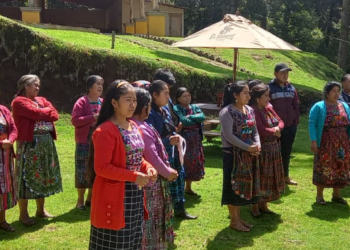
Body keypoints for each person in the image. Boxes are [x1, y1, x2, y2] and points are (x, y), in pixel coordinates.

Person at [88, 80, 157, 250]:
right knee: (116, 243)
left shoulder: (132, 126)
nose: (133, 104)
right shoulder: (105, 131)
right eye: (128, 100)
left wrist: (147, 167)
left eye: (134, 100)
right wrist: (134, 176)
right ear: (114, 102)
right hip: (114, 196)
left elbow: (136, 157)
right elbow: (102, 168)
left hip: (134, 194)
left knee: (132, 241)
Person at [12, 74, 62, 226]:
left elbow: (55, 115)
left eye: (38, 84)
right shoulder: (18, 102)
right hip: (29, 145)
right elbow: (36, 113)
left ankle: (40, 210)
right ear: (25, 86)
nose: (38, 87)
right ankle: (23, 214)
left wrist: (44, 112)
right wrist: (45, 112)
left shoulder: (41, 100)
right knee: (25, 178)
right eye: (35, 84)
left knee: (44, 175)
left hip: (46, 144)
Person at [131, 87, 177, 250]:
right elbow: (151, 155)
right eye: (149, 105)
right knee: (151, 220)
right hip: (151, 182)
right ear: (145, 107)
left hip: (144, 180)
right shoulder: (141, 128)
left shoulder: (135, 125)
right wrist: (167, 172)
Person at [146, 80, 197, 219]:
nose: (169, 97)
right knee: (164, 188)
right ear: (155, 95)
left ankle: (180, 210)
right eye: (166, 93)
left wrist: (175, 134)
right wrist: (168, 141)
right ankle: (165, 216)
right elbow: (149, 141)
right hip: (161, 157)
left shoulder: (165, 110)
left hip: (173, 154)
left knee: (179, 179)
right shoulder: (149, 114)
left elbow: (169, 129)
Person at [219, 80, 261, 232]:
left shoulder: (249, 110)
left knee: (243, 185)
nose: (249, 96)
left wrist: (257, 145)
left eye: (249, 92)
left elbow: (254, 130)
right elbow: (229, 136)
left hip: (248, 153)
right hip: (233, 155)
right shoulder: (227, 112)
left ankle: (238, 218)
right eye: (245, 93)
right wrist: (247, 147)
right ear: (236, 95)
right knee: (233, 186)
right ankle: (234, 220)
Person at [309, 81, 350, 205]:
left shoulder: (344, 106)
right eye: (334, 91)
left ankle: (336, 195)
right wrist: (314, 140)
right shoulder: (319, 106)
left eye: (338, 91)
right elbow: (312, 123)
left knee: (340, 167)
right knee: (323, 166)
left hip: (342, 143)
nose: (336, 94)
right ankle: (319, 196)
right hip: (326, 142)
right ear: (327, 93)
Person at [249, 83, 285, 216]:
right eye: (265, 96)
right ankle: (254, 206)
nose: (268, 98)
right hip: (262, 150)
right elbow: (260, 130)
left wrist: (278, 128)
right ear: (257, 98)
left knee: (269, 177)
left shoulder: (268, 108)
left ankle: (264, 204)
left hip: (273, 149)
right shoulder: (253, 111)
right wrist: (274, 131)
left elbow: (281, 120)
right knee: (259, 176)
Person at [71, 75, 104, 210]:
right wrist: (93, 118)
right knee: (82, 168)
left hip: (100, 140)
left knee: (96, 168)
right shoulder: (82, 102)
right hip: (85, 140)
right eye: (98, 84)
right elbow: (75, 120)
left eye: (102, 84)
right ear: (90, 87)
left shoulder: (103, 102)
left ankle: (91, 198)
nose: (101, 86)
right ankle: (80, 200)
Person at [268, 63, 300, 185]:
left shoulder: (291, 88)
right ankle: (273, 177)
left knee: (286, 152)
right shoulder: (269, 88)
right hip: (275, 128)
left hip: (290, 127)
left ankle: (285, 176)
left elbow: (296, 105)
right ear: (275, 74)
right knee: (273, 153)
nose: (285, 75)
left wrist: (295, 121)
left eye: (286, 73)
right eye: (282, 73)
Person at [174, 87, 205, 195]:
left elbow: (202, 117)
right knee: (184, 162)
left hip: (195, 139)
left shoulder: (194, 107)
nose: (187, 98)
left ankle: (188, 187)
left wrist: (191, 115)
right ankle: (181, 187)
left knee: (194, 162)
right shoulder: (176, 108)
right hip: (185, 139)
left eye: (189, 95)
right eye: (184, 96)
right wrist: (192, 119)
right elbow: (184, 121)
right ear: (178, 99)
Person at [0, 105, 18, 232]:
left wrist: (10, 140)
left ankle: (2, 221)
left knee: (3, 187)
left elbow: (14, 129)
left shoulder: (3, 110)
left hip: (5, 156)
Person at [153, 68, 182, 133]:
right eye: (167, 85)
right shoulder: (150, 106)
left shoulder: (168, 99)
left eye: (169, 86)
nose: (168, 96)